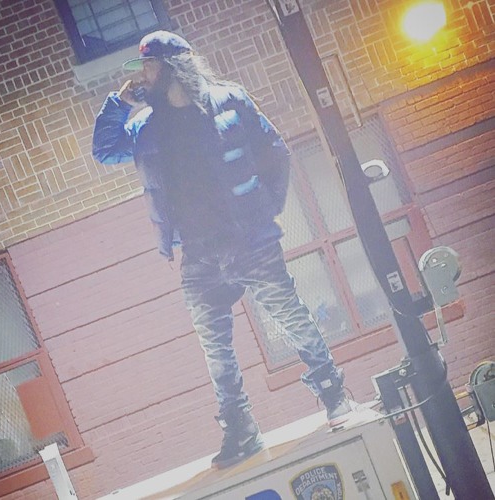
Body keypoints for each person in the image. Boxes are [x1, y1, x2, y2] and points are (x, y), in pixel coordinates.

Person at [92, 30, 354, 470]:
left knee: (291, 318)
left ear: (173, 66)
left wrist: (265, 210)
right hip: (198, 255)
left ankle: (333, 394)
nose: (143, 75)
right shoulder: (145, 125)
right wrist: (119, 103)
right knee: (216, 349)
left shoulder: (229, 101)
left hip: (249, 242)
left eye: (149, 65)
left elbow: (275, 151)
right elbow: (104, 150)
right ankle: (241, 430)